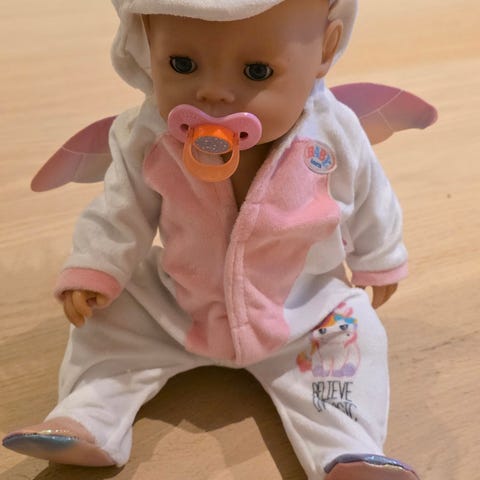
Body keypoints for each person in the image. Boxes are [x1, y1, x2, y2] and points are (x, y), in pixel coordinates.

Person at [3, 0, 421, 478]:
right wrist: (96, 265)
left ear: (324, 51)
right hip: (181, 306)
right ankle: (89, 415)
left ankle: (347, 447)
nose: (213, 93)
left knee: (354, 328)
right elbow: (121, 209)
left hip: (299, 310)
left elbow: (371, 198)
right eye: (182, 64)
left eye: (257, 71)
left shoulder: (335, 134)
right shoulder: (146, 135)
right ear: (146, 43)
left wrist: (379, 257)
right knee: (111, 311)